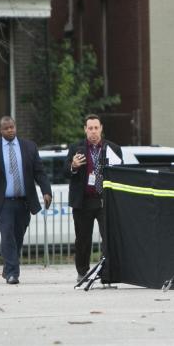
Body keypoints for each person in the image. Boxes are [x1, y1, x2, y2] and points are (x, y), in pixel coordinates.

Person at [0, 116, 52, 284]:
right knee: (7, 234)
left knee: (17, 236)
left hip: (24, 200)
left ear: (16, 127)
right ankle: (12, 273)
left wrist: (46, 191)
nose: (10, 130)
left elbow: (39, 172)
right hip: (3, 202)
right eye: (6, 128)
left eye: (12, 127)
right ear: (0, 130)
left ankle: (8, 266)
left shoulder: (29, 147)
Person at [65, 115, 122, 281]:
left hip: (105, 200)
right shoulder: (76, 148)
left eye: (96, 128)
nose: (93, 132)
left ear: (101, 128)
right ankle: (82, 272)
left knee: (108, 237)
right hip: (83, 201)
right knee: (83, 239)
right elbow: (65, 171)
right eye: (90, 128)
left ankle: (106, 271)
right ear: (85, 130)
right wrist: (73, 166)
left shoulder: (113, 148)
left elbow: (121, 172)